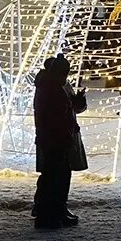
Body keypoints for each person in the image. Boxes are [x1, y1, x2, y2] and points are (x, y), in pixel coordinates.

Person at [32, 54, 86, 228]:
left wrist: (76, 102)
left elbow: (69, 109)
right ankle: (49, 214)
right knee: (54, 176)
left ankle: (55, 211)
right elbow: (55, 116)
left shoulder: (55, 86)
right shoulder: (51, 88)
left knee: (58, 175)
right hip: (55, 138)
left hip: (59, 137)